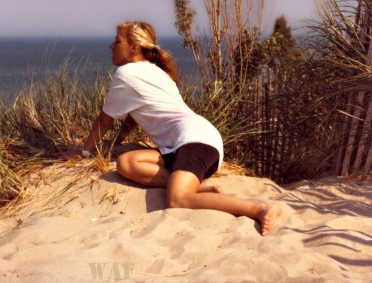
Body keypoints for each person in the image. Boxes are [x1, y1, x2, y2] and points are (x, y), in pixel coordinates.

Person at [67, 21, 280, 236]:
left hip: (195, 140)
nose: (111, 46)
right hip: (186, 142)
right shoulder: (154, 72)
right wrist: (116, 143)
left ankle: (259, 208)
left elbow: (104, 120)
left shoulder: (127, 73)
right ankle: (199, 186)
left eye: (117, 41)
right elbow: (132, 117)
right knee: (126, 163)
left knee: (177, 200)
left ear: (134, 48)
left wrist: (84, 151)